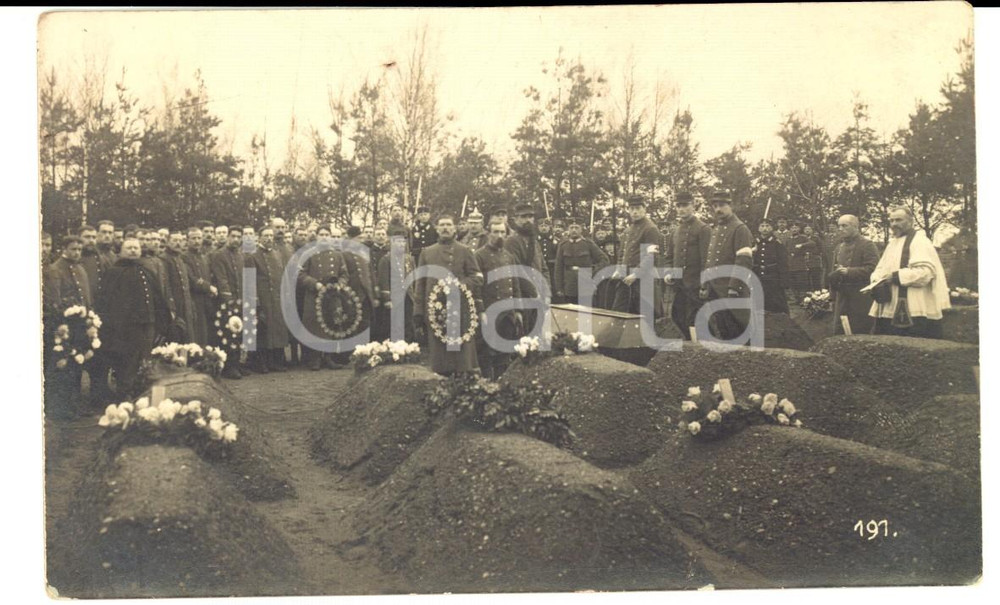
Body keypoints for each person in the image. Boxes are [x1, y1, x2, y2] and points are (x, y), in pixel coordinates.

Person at [95, 237, 170, 398]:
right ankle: (125, 395)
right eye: (129, 248)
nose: (133, 250)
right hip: (126, 327)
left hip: (147, 324)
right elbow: (108, 303)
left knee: (144, 359)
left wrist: (162, 321)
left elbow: (157, 298)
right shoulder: (114, 272)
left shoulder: (146, 271)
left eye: (136, 248)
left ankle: (140, 393)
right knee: (126, 362)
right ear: (121, 251)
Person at [414, 215, 484, 376]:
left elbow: (477, 277)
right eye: (442, 225)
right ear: (437, 229)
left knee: (463, 357)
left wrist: (458, 285)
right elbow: (420, 284)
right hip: (435, 310)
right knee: (440, 357)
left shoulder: (464, 250)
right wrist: (418, 312)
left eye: (449, 225)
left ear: (455, 228)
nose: (445, 228)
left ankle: (464, 388)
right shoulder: (427, 253)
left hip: (461, 309)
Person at [868, 207, 950, 339]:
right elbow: (880, 268)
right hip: (890, 303)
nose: (894, 224)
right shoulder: (892, 243)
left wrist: (895, 276)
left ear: (911, 221)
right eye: (892, 220)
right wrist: (876, 279)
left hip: (914, 305)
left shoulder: (920, 241)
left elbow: (925, 273)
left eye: (899, 220)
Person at [701, 190, 755, 341]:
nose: (718, 209)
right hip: (715, 288)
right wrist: (705, 284)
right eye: (715, 206)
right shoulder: (715, 229)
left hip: (731, 289)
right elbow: (710, 260)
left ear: (731, 206)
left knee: (738, 328)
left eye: (722, 205)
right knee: (721, 328)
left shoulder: (740, 228)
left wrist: (734, 287)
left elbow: (744, 260)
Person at [474, 217, 524, 379]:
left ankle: (502, 385)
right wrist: (480, 310)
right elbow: (476, 287)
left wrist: (517, 310)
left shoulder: (509, 256)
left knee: (504, 352)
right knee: (487, 352)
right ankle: (487, 387)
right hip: (489, 311)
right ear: (488, 233)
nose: (500, 236)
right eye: (496, 232)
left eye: (503, 232)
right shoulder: (479, 256)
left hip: (507, 312)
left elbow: (514, 283)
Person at [297, 226, 347, 371]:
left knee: (331, 325)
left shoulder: (337, 255)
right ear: (317, 236)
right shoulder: (308, 254)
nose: (324, 237)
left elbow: (344, 274)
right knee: (314, 327)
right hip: (314, 296)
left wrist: (339, 285)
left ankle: (329, 358)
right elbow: (301, 275)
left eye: (327, 234)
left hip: (332, 297)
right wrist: (315, 284)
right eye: (321, 234)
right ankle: (314, 359)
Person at [662, 191, 712, 338]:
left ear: (693, 205)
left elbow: (707, 260)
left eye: (685, 205)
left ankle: (700, 350)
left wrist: (705, 285)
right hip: (680, 286)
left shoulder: (703, 229)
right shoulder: (675, 231)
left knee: (695, 319)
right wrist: (668, 273)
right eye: (678, 206)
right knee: (677, 317)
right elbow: (669, 257)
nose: (681, 209)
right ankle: (691, 346)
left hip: (695, 285)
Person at [612, 196, 663, 315]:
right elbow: (622, 253)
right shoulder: (628, 230)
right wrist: (619, 269)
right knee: (619, 312)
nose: (634, 211)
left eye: (638, 208)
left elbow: (651, 256)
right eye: (631, 208)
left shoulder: (650, 229)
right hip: (625, 277)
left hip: (643, 278)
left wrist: (636, 274)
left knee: (644, 314)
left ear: (644, 209)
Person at [829, 214, 879, 335]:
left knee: (859, 331)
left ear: (855, 226)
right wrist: (832, 296)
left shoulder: (867, 245)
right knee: (840, 331)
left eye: (844, 226)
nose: (840, 229)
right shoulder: (839, 247)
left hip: (860, 297)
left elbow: (874, 269)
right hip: (842, 297)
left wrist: (849, 271)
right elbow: (833, 271)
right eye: (839, 226)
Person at [249, 226, 290, 372]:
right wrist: (256, 302)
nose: (268, 239)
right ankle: (260, 363)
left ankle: (276, 362)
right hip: (262, 298)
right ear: (259, 237)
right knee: (262, 331)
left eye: (271, 236)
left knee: (277, 330)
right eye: (265, 236)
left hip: (277, 298)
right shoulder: (252, 255)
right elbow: (250, 281)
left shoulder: (277, 254)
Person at [504, 203, 550, 332]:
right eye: (523, 217)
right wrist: (533, 292)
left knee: (537, 334)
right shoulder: (511, 242)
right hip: (522, 295)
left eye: (530, 216)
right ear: (515, 220)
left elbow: (544, 268)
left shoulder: (534, 242)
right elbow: (517, 269)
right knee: (523, 335)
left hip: (538, 296)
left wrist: (546, 293)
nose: (528, 220)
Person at [210, 226, 246, 378]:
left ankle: (237, 364)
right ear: (228, 237)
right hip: (226, 302)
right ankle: (229, 366)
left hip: (240, 300)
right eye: (233, 236)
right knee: (227, 334)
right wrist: (229, 300)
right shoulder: (219, 255)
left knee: (239, 333)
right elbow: (221, 279)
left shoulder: (241, 255)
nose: (236, 239)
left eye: (239, 237)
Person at [553, 216, 609, 306]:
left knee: (586, 312)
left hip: (586, 282)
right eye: (571, 227)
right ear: (568, 229)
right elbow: (558, 267)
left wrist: (593, 270)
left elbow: (604, 260)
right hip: (569, 284)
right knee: (571, 312)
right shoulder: (563, 245)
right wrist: (559, 287)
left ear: (581, 229)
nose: (574, 230)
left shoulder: (588, 244)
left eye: (576, 228)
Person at [375, 235, 416, 343]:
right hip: (394, 297)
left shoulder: (409, 259)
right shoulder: (386, 259)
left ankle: (407, 346)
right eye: (398, 242)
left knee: (407, 321)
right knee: (393, 322)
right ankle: (392, 347)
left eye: (403, 242)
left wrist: (414, 294)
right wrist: (387, 299)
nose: (401, 244)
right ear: (392, 244)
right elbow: (383, 280)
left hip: (408, 295)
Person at [182, 226, 217, 346]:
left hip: (206, 300)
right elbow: (191, 279)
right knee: (197, 333)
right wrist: (208, 287)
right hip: (194, 300)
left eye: (199, 238)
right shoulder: (184, 257)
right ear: (187, 240)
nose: (197, 241)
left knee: (208, 333)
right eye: (193, 238)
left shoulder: (204, 257)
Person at [44, 235, 91, 319]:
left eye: (79, 250)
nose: (77, 253)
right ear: (64, 249)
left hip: (83, 318)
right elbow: (55, 299)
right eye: (73, 249)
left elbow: (86, 297)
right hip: (66, 317)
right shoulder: (55, 269)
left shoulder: (81, 269)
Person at [162, 231, 196, 343]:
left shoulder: (180, 259)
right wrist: (171, 306)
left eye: (180, 241)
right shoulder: (164, 260)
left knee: (187, 336)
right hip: (174, 305)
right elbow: (166, 285)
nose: (178, 243)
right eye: (174, 240)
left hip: (185, 304)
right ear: (167, 242)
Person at [751, 217, 790, 314]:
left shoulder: (777, 243)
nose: (765, 228)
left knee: (777, 304)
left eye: (767, 226)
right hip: (758, 276)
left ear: (772, 228)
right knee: (758, 303)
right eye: (762, 226)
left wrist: (784, 280)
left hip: (773, 277)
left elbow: (783, 262)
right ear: (758, 228)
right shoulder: (754, 242)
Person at [786, 222, 810, 296]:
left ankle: (803, 298)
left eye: (796, 228)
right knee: (792, 282)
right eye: (792, 228)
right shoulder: (788, 240)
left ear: (799, 229)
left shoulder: (803, 238)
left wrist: (802, 245)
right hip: (791, 264)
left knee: (801, 282)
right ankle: (796, 298)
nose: (794, 229)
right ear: (790, 229)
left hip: (800, 263)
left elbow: (812, 243)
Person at [537, 217, 558, 289]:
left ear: (549, 228)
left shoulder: (554, 240)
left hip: (552, 268)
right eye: (541, 226)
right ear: (538, 228)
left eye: (546, 226)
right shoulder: (535, 241)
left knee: (553, 285)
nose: (543, 228)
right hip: (539, 267)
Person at [803, 225, 824, 290]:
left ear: (812, 231)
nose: (807, 230)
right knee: (806, 278)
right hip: (805, 260)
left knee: (816, 277)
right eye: (806, 229)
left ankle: (817, 292)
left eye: (809, 229)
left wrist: (815, 253)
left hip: (814, 259)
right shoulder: (802, 238)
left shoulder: (816, 238)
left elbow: (821, 248)